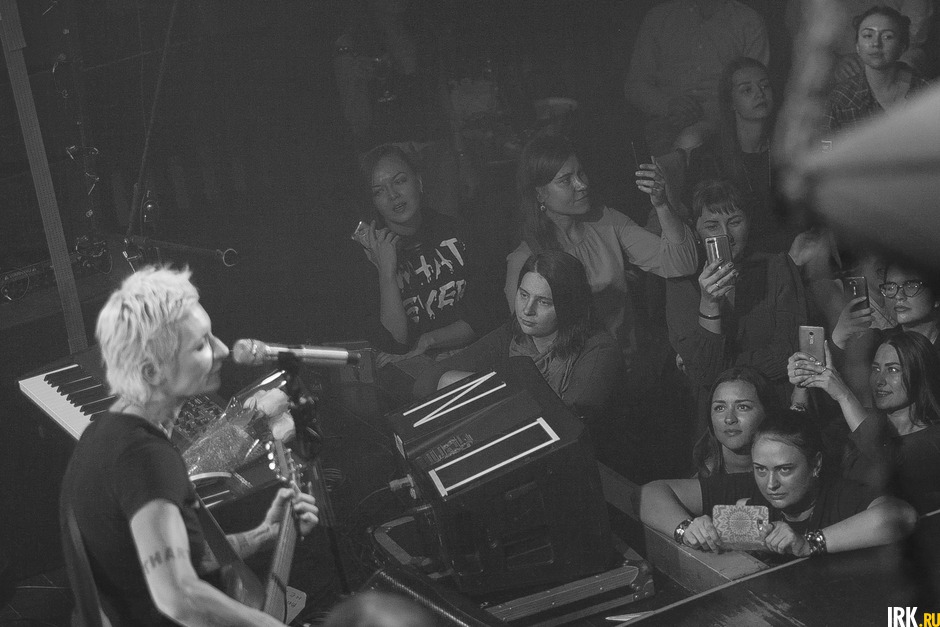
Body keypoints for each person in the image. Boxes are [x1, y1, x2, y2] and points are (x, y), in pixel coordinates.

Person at [58, 266, 320, 627]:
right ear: (151, 371)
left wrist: (262, 534)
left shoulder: (105, 434)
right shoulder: (144, 457)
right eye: (200, 346)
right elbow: (178, 597)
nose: (223, 350)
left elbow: (162, 563)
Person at [504, 133, 698, 363]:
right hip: (574, 372)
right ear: (539, 193)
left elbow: (682, 264)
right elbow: (528, 343)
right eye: (566, 180)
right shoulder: (526, 258)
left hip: (630, 362)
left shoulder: (606, 220)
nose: (582, 185)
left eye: (581, 173)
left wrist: (662, 204)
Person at [640, 410, 917, 556]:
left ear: (816, 464)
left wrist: (808, 543)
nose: (770, 484)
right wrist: (686, 529)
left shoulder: (838, 494)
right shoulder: (749, 486)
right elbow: (649, 494)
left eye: (785, 469)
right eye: (760, 469)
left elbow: (902, 516)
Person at [415, 250, 623, 424]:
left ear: (569, 305)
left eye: (544, 302)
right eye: (523, 295)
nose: (527, 310)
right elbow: (426, 382)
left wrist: (497, 394)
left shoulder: (599, 348)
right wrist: (502, 392)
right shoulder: (513, 333)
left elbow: (569, 422)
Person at [666, 179, 805, 423]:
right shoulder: (683, 282)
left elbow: (788, 354)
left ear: (748, 223)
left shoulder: (777, 267)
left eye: (735, 222)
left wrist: (721, 367)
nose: (726, 235)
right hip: (716, 416)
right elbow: (703, 373)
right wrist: (709, 303)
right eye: (712, 226)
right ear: (696, 231)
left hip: (772, 408)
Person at [789, 331, 940, 512]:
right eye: (876, 369)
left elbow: (885, 461)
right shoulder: (855, 420)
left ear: (920, 373)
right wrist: (803, 383)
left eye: (893, 370)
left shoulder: (933, 439)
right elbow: (795, 442)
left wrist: (843, 395)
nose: (879, 380)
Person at [357, 144, 478, 368]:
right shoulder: (369, 256)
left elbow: (485, 314)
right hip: (417, 370)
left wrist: (428, 341)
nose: (393, 195)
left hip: (474, 355)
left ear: (419, 181)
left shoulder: (459, 232)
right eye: (379, 191)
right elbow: (395, 344)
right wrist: (386, 272)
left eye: (399, 181)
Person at [681, 57, 797, 253]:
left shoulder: (787, 149)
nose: (760, 94)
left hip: (789, 249)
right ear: (731, 102)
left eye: (765, 86)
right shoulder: (708, 157)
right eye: (747, 90)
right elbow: (700, 221)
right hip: (736, 254)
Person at [623, 0, 770, 156]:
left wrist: (709, 112)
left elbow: (757, 88)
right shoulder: (658, 18)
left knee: (690, 140)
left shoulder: (748, 21)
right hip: (666, 123)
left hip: (726, 125)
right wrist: (668, 105)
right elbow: (635, 84)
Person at [826, 5, 931, 135]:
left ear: (902, 47)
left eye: (887, 37)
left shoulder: (926, 93)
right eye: (868, 35)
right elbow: (826, 144)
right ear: (857, 46)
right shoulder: (841, 99)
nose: (876, 43)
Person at [692, 367, 779, 477]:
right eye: (720, 408)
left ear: (767, 412)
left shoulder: (789, 473)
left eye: (742, 407)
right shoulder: (696, 482)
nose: (729, 419)